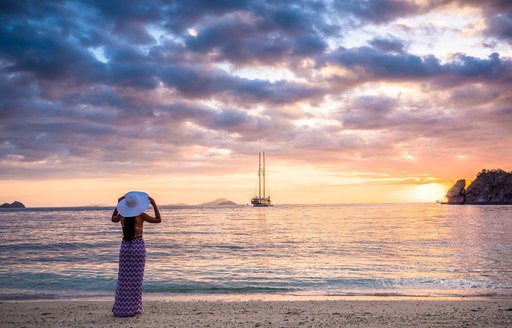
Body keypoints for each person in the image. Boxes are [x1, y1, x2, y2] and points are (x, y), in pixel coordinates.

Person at [111, 191, 161, 317]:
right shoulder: (141, 215)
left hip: (125, 248)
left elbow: (113, 219)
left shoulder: (121, 215)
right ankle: (133, 308)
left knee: (123, 279)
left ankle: (121, 309)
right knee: (136, 280)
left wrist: (118, 206)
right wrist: (154, 204)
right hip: (137, 247)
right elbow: (158, 220)